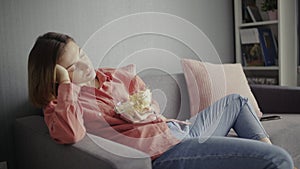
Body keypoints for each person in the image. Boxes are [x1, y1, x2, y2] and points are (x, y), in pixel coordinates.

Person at [28, 32, 295, 169]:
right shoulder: (60, 104)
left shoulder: (114, 76)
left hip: (179, 130)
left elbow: (149, 103)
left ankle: (259, 153)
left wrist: (146, 108)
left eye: (82, 54)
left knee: (236, 101)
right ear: (54, 75)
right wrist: (66, 84)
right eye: (73, 66)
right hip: (165, 152)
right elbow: (71, 134)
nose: (85, 65)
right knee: (279, 160)